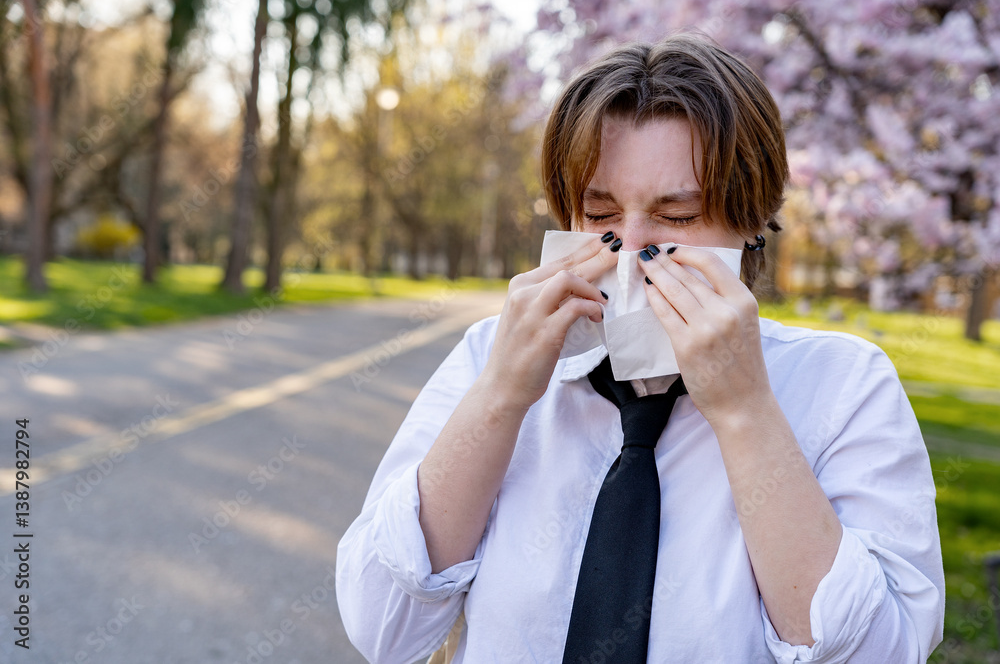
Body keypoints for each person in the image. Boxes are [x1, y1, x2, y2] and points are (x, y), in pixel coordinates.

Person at [336, 33, 945, 663]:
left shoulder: (844, 385)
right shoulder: (490, 358)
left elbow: (881, 653)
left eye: (676, 218)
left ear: (752, 224)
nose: (630, 249)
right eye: (599, 216)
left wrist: (745, 412)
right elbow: (384, 630)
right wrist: (499, 399)